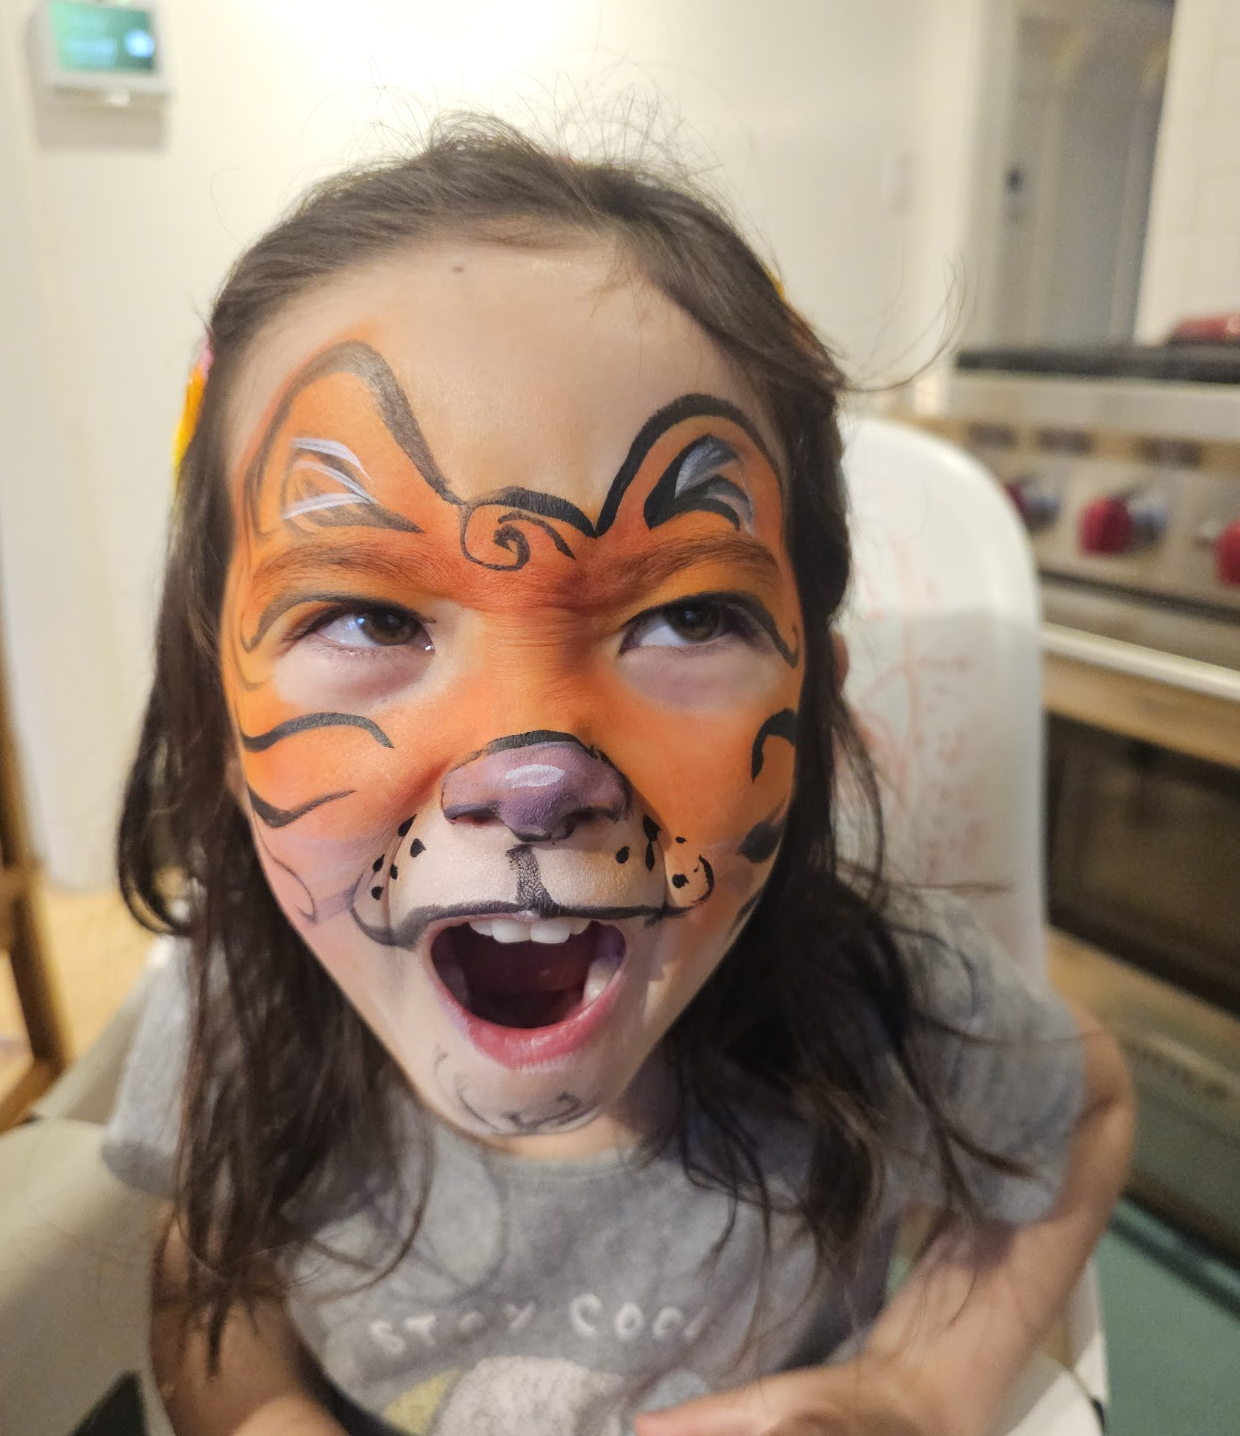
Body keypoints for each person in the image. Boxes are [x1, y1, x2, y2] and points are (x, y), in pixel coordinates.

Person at [104, 115, 1133, 1436]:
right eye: (367, 618)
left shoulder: (879, 999)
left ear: (811, 684)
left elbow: (1092, 1108)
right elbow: (208, 1256)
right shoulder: (237, 997)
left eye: (689, 618)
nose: (532, 774)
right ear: (209, 680)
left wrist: (918, 1386)